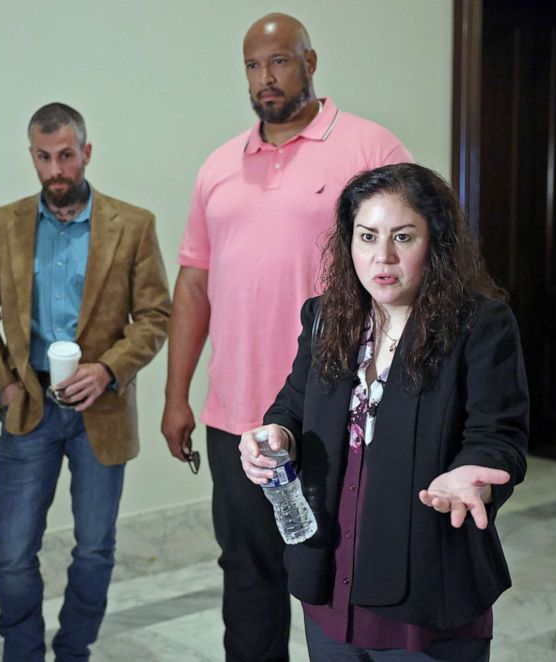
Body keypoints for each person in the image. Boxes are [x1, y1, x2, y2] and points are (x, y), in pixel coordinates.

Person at [161, 12, 412, 661]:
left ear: (310, 60)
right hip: (237, 418)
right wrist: (177, 396)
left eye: (278, 61)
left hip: (336, 411)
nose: (264, 77)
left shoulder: (370, 149)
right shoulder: (219, 166)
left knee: (340, 581)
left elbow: (413, 271)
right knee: (248, 578)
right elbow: (192, 286)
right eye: (252, 64)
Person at [239, 163, 529, 660]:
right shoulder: (326, 316)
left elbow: (498, 434)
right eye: (367, 236)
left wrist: (469, 475)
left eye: (403, 237)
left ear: (435, 242)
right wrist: (276, 434)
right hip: (331, 579)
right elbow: (293, 403)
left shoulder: (480, 325)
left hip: (427, 587)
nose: (383, 257)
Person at [0, 102, 171, 662]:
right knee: (9, 552)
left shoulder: (134, 224)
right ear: (32, 156)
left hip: (100, 411)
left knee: (96, 549)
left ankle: (74, 651)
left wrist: (108, 369)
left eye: (67, 156)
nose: (56, 170)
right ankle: (22, 654)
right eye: (44, 157)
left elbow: (156, 316)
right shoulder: (0, 225)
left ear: (87, 152)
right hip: (27, 409)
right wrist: (4, 386)